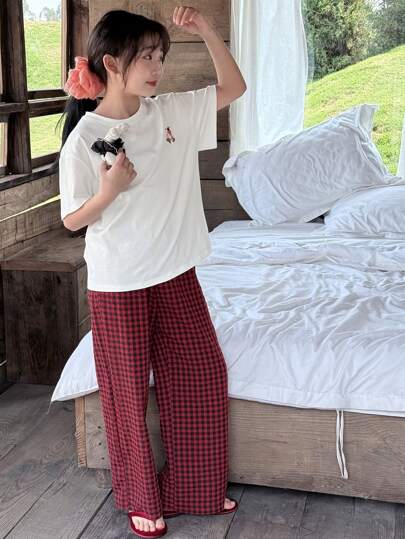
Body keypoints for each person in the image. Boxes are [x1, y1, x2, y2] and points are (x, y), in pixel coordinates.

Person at [57, 6, 246, 538]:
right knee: (126, 393)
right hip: (118, 281)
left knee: (203, 374)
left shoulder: (172, 112)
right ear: (113, 63)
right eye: (147, 56)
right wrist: (109, 191)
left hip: (176, 270)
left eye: (161, 55)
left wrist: (205, 30)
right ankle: (142, 499)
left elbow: (234, 87)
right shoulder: (85, 136)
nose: (157, 66)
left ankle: (195, 488)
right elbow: (71, 219)